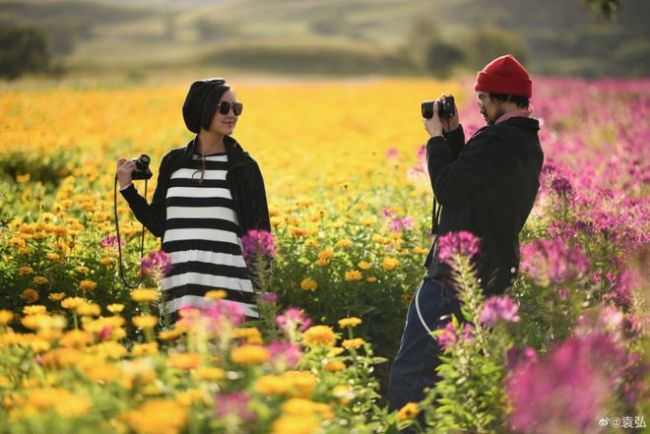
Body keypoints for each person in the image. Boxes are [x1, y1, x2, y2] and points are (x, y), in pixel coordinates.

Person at [389, 54, 544, 413]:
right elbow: (474, 183)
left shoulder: (498, 140)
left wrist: (435, 140)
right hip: (487, 277)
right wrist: (456, 134)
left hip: (455, 278)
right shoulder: (524, 142)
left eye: (484, 99)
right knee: (455, 376)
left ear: (504, 97)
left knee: (412, 372)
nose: (481, 106)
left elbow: (448, 188)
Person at [115, 78, 271, 320]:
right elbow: (158, 224)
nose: (232, 115)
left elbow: (260, 236)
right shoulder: (174, 163)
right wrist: (127, 189)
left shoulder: (243, 167)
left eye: (237, 108)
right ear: (203, 109)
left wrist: (262, 292)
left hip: (230, 293)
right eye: (224, 108)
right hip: (179, 288)